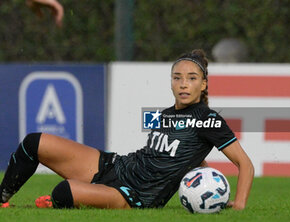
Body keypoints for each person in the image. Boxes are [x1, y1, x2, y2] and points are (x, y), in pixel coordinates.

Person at [0, 49, 254, 210]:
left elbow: (245, 163)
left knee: (62, 192)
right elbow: (185, 154)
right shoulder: (163, 115)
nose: (183, 84)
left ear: (204, 84)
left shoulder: (209, 120)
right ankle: (2, 199)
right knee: (34, 142)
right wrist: (201, 173)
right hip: (118, 166)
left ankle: (72, 199)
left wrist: (238, 203)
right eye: (177, 77)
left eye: (192, 78)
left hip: (137, 196)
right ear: (171, 82)